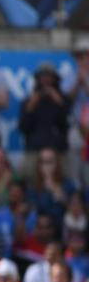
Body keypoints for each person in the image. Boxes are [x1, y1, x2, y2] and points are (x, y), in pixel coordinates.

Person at [19, 62, 71, 158]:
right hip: (34, 150)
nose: (46, 79)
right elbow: (23, 128)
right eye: (43, 76)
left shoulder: (63, 99)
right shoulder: (28, 100)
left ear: (55, 79)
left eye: (49, 76)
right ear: (38, 79)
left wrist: (60, 103)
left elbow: (67, 125)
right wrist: (30, 107)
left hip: (58, 150)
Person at [62, 37, 89, 187]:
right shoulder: (71, 75)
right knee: (74, 164)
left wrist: (84, 82)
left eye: (84, 55)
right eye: (78, 56)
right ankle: (77, 192)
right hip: (76, 125)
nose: (81, 59)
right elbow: (67, 100)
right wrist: (78, 82)